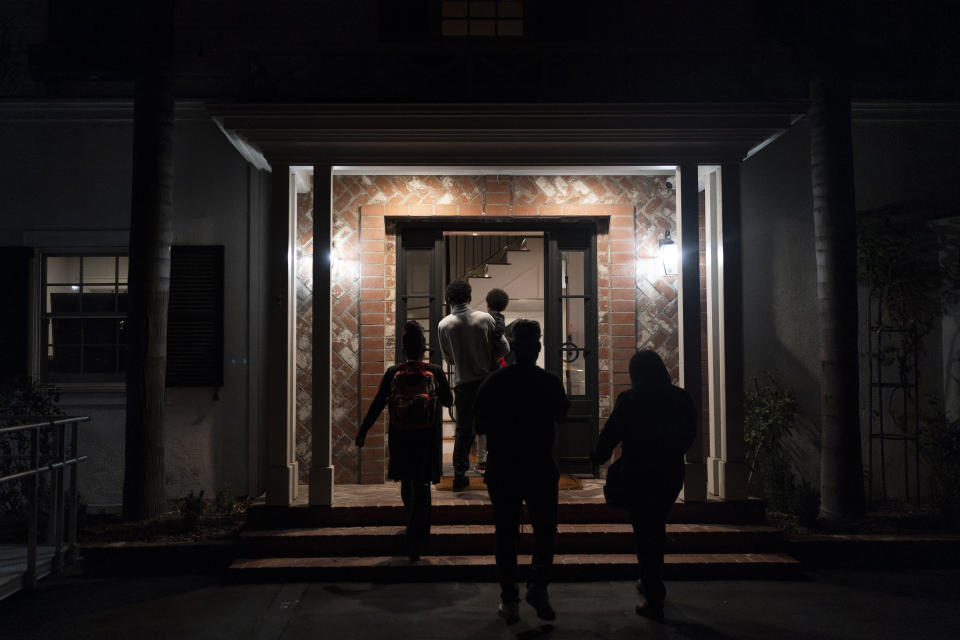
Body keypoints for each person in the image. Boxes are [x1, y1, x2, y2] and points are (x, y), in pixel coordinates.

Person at [591, 350, 697, 623]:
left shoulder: (631, 399)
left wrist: (597, 457)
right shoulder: (681, 397)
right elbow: (690, 433)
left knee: (645, 531)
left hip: (639, 471)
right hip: (670, 472)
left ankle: (653, 595)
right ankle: (651, 579)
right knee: (654, 523)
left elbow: (612, 433)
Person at [475, 320, 569, 624]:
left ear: (511, 348)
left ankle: (509, 598)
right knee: (545, 533)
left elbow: (480, 425)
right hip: (540, 467)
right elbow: (562, 415)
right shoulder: (551, 382)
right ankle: (538, 587)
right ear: (539, 348)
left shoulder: (494, 382)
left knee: (505, 534)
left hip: (504, 467)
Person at [355, 321, 453, 561]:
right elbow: (449, 402)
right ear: (424, 347)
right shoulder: (436, 370)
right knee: (422, 484)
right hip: (426, 438)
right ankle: (421, 536)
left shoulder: (392, 372)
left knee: (407, 482)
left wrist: (364, 431)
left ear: (403, 349)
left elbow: (378, 402)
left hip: (400, 437)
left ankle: (411, 526)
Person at [438, 279, 510, 492]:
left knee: (462, 432)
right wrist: (488, 358)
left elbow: (448, 359)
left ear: (449, 300)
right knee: (492, 428)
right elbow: (504, 349)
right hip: (487, 383)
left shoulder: (444, 325)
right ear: (469, 297)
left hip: (463, 385)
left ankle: (459, 476)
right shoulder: (485, 319)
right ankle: (494, 472)